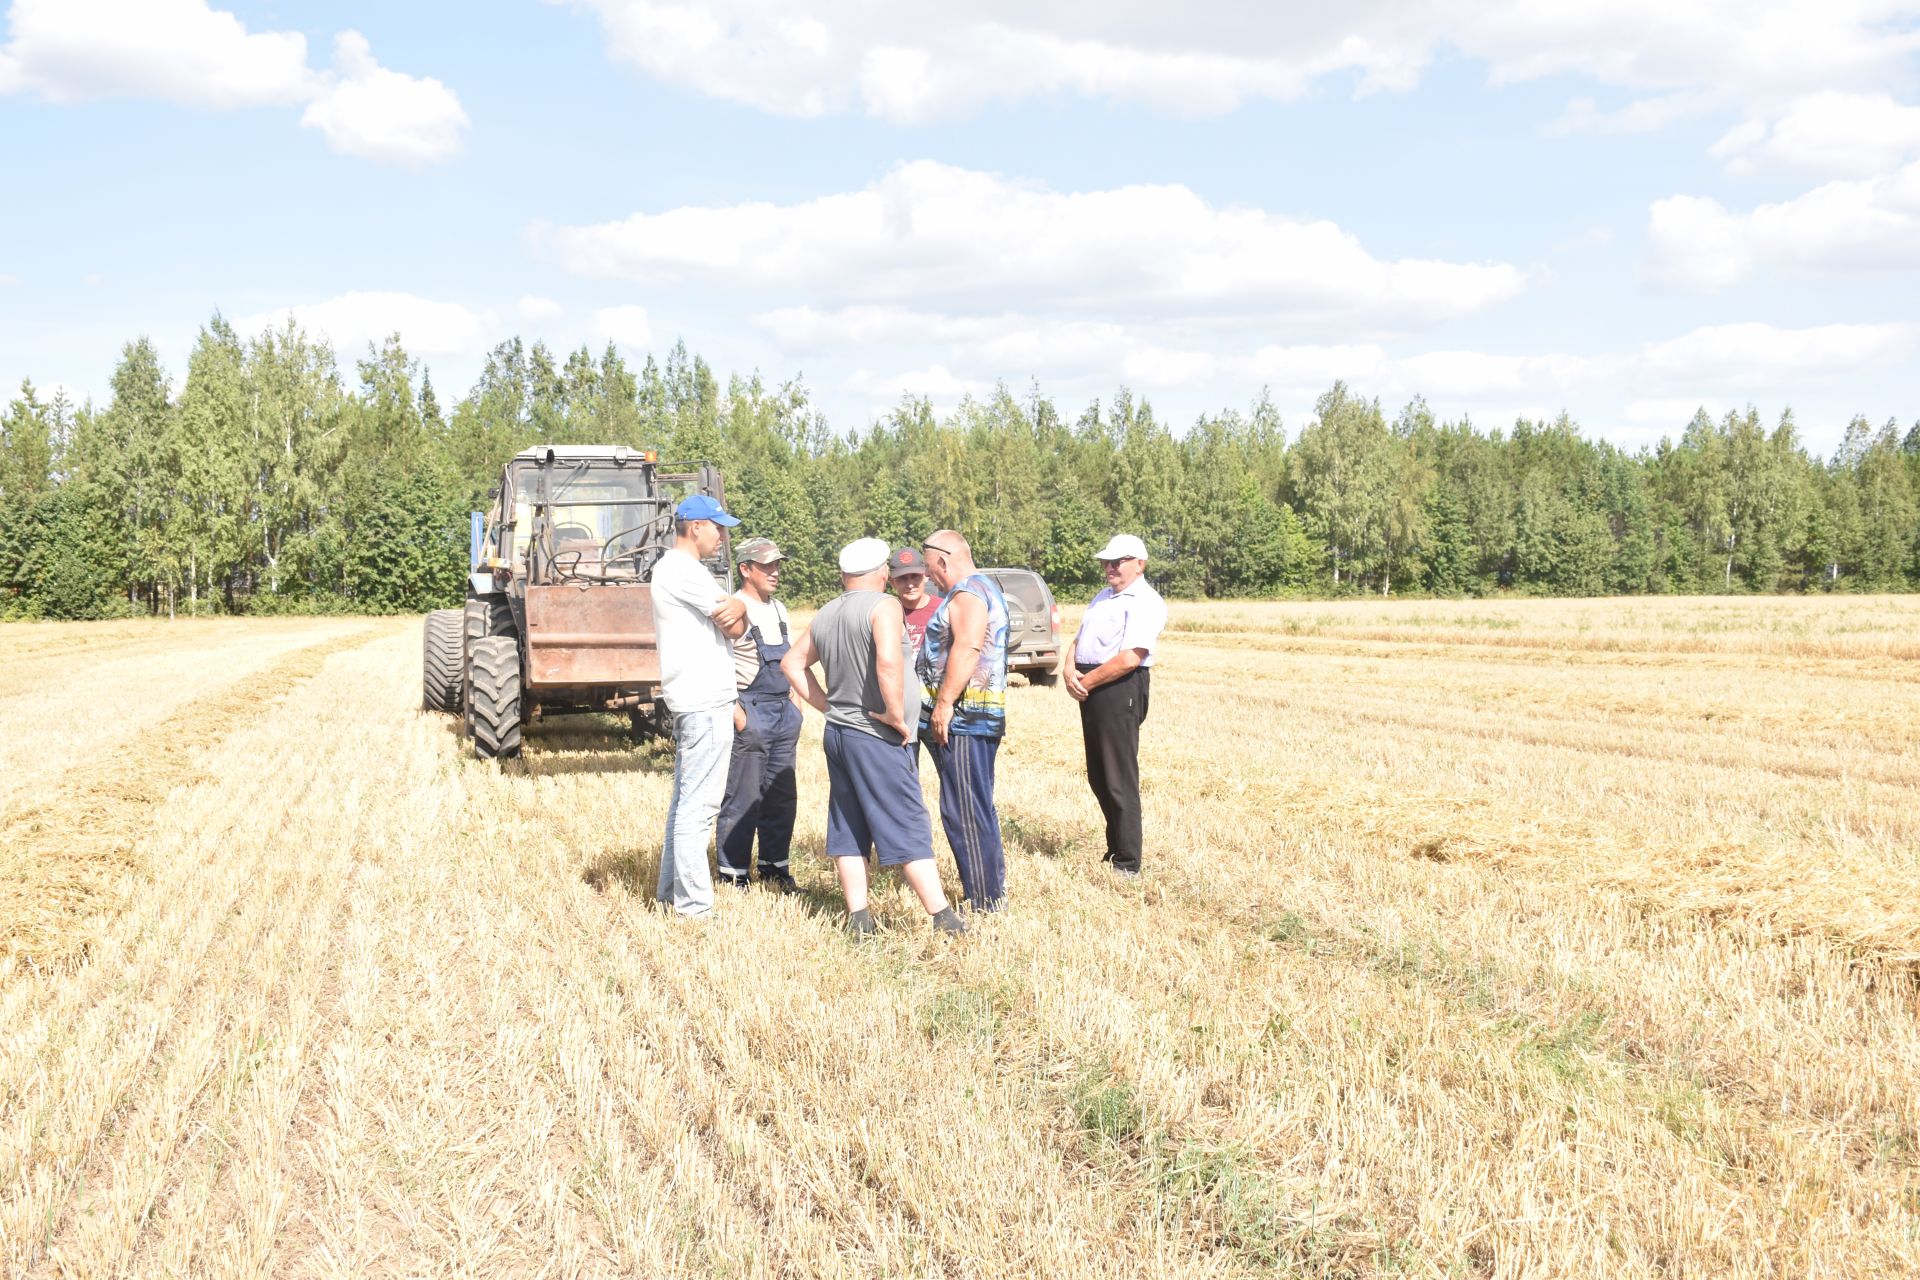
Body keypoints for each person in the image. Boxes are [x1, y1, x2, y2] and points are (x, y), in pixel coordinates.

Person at [781, 538, 966, 938]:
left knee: (849, 824)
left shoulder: (827, 612)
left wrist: (828, 706)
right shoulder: (884, 606)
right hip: (875, 735)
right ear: (882, 572)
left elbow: (792, 663)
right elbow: (887, 660)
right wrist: (896, 714)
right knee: (906, 819)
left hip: (840, 734)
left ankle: (859, 919)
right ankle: (944, 918)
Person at [651, 494, 748, 917]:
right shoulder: (684, 571)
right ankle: (693, 906)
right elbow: (735, 626)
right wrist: (741, 605)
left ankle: (671, 892)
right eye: (718, 527)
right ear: (695, 527)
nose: (722, 536)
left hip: (697, 699)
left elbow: (735, 624)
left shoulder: (678, 570)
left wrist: (739, 608)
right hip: (704, 701)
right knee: (700, 807)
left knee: (685, 802)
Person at [916, 530, 1010, 912]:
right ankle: (989, 892)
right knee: (974, 804)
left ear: (942, 560)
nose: (927, 579)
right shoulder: (982, 588)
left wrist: (944, 704)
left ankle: (985, 901)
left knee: (965, 811)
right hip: (971, 717)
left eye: (928, 569)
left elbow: (968, 646)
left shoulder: (968, 593)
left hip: (965, 719)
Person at [1063, 533, 1167, 878]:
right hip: (1093, 684)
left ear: (1140, 564)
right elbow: (1079, 639)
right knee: (1099, 775)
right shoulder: (1103, 596)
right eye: (1106, 562)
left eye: (1116, 562)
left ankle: (1128, 861)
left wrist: (1084, 683)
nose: (1108, 567)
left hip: (1119, 686)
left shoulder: (1146, 601)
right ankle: (1115, 847)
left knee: (1118, 775)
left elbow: (1129, 658)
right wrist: (1068, 667)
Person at [715, 536, 802, 892]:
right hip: (751, 708)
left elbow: (791, 659)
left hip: (783, 709)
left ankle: (774, 868)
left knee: (781, 795)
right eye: (766, 565)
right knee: (743, 796)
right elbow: (715, 662)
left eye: (777, 564)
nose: (775, 571)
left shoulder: (779, 608)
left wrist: (796, 703)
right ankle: (734, 874)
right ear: (745, 569)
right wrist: (737, 713)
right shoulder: (733, 607)